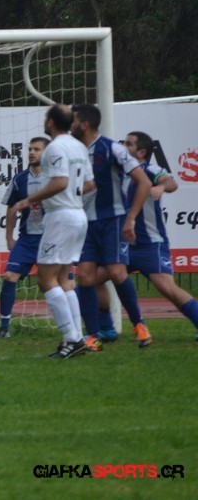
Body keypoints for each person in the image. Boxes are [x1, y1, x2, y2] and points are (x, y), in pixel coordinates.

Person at [11, 105, 93, 358]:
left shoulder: (55, 148)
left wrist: (29, 200)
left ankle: (72, 339)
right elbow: (89, 183)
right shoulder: (79, 147)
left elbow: (60, 182)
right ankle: (76, 337)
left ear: (50, 123)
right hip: (77, 214)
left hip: (60, 217)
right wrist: (72, 195)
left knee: (45, 279)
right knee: (64, 279)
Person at [70, 103, 152, 349]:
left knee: (116, 272)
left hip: (113, 220)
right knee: (85, 276)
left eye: (73, 121)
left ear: (84, 124)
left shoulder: (112, 148)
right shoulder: (73, 150)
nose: (70, 125)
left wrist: (131, 218)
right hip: (86, 222)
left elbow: (144, 182)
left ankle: (139, 325)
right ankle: (93, 335)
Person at [122, 131, 198, 338]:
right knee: (92, 278)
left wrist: (162, 186)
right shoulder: (121, 172)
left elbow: (171, 183)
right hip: (124, 244)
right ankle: (105, 330)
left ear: (141, 152)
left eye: (128, 144)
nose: (123, 146)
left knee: (168, 288)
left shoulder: (149, 170)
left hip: (150, 245)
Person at [0, 136, 50, 338]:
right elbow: (11, 209)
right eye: (30, 149)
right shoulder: (19, 179)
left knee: (59, 283)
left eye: (37, 149)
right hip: (26, 239)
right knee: (9, 276)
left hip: (50, 238)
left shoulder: (55, 178)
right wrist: (9, 237)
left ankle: (78, 323)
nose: (32, 152)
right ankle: (4, 327)